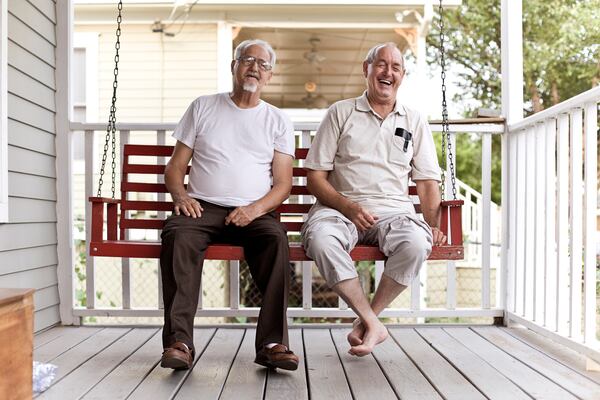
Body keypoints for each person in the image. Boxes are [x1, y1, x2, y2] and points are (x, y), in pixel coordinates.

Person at [159, 39, 299, 371]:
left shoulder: (277, 120)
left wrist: (255, 209)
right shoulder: (203, 107)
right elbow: (175, 168)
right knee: (177, 236)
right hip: (202, 208)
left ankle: (272, 343)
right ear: (233, 66)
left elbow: (283, 185)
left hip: (254, 211)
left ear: (270, 76)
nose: (254, 67)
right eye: (247, 60)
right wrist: (181, 197)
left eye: (263, 64)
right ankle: (179, 343)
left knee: (276, 241)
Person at [302, 42, 446, 357]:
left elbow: (427, 181)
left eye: (395, 67)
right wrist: (348, 207)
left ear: (403, 76)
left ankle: (369, 320)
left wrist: (433, 224)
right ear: (367, 69)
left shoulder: (414, 119)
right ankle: (372, 322)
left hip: (395, 213)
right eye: (381, 64)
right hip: (339, 210)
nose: (388, 72)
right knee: (321, 240)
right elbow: (315, 177)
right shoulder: (341, 112)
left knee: (417, 243)